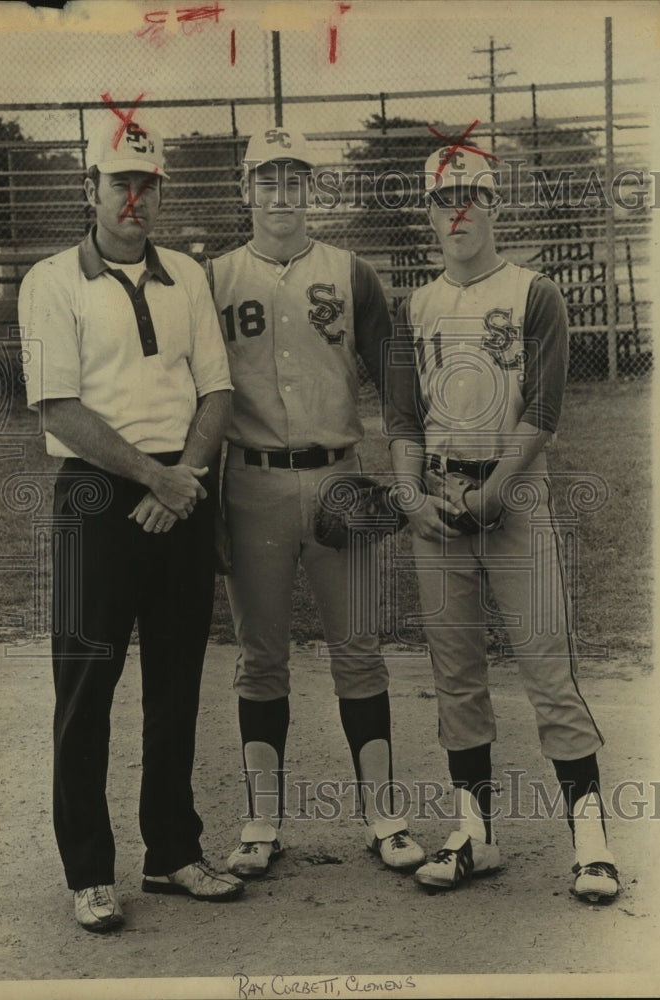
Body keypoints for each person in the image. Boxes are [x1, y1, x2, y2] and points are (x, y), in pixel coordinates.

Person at [18, 115, 241, 932]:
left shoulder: (188, 273)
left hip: (183, 487)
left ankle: (174, 852)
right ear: (92, 189)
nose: (135, 198)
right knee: (86, 690)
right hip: (97, 498)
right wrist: (157, 478)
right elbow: (59, 409)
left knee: (177, 685)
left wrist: (184, 483)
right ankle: (88, 871)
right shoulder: (50, 280)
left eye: (149, 185)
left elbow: (216, 390)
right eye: (121, 182)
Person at [384, 145, 620, 901]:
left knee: (547, 667)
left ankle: (590, 840)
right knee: (455, 674)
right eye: (443, 197)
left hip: (510, 498)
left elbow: (544, 410)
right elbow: (401, 417)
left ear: (495, 207)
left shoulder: (533, 293)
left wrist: (496, 492)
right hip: (440, 501)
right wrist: (410, 495)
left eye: (473, 196)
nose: (458, 211)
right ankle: (475, 834)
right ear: (427, 211)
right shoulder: (413, 306)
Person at [206, 128, 425, 877]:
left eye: (295, 178)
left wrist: (402, 466)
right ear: (246, 190)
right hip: (252, 481)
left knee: (359, 654)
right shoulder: (216, 277)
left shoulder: (351, 271)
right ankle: (261, 824)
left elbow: (395, 373)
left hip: (341, 478)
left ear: (312, 190)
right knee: (259, 659)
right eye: (267, 178)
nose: (281, 192)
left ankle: (385, 820)